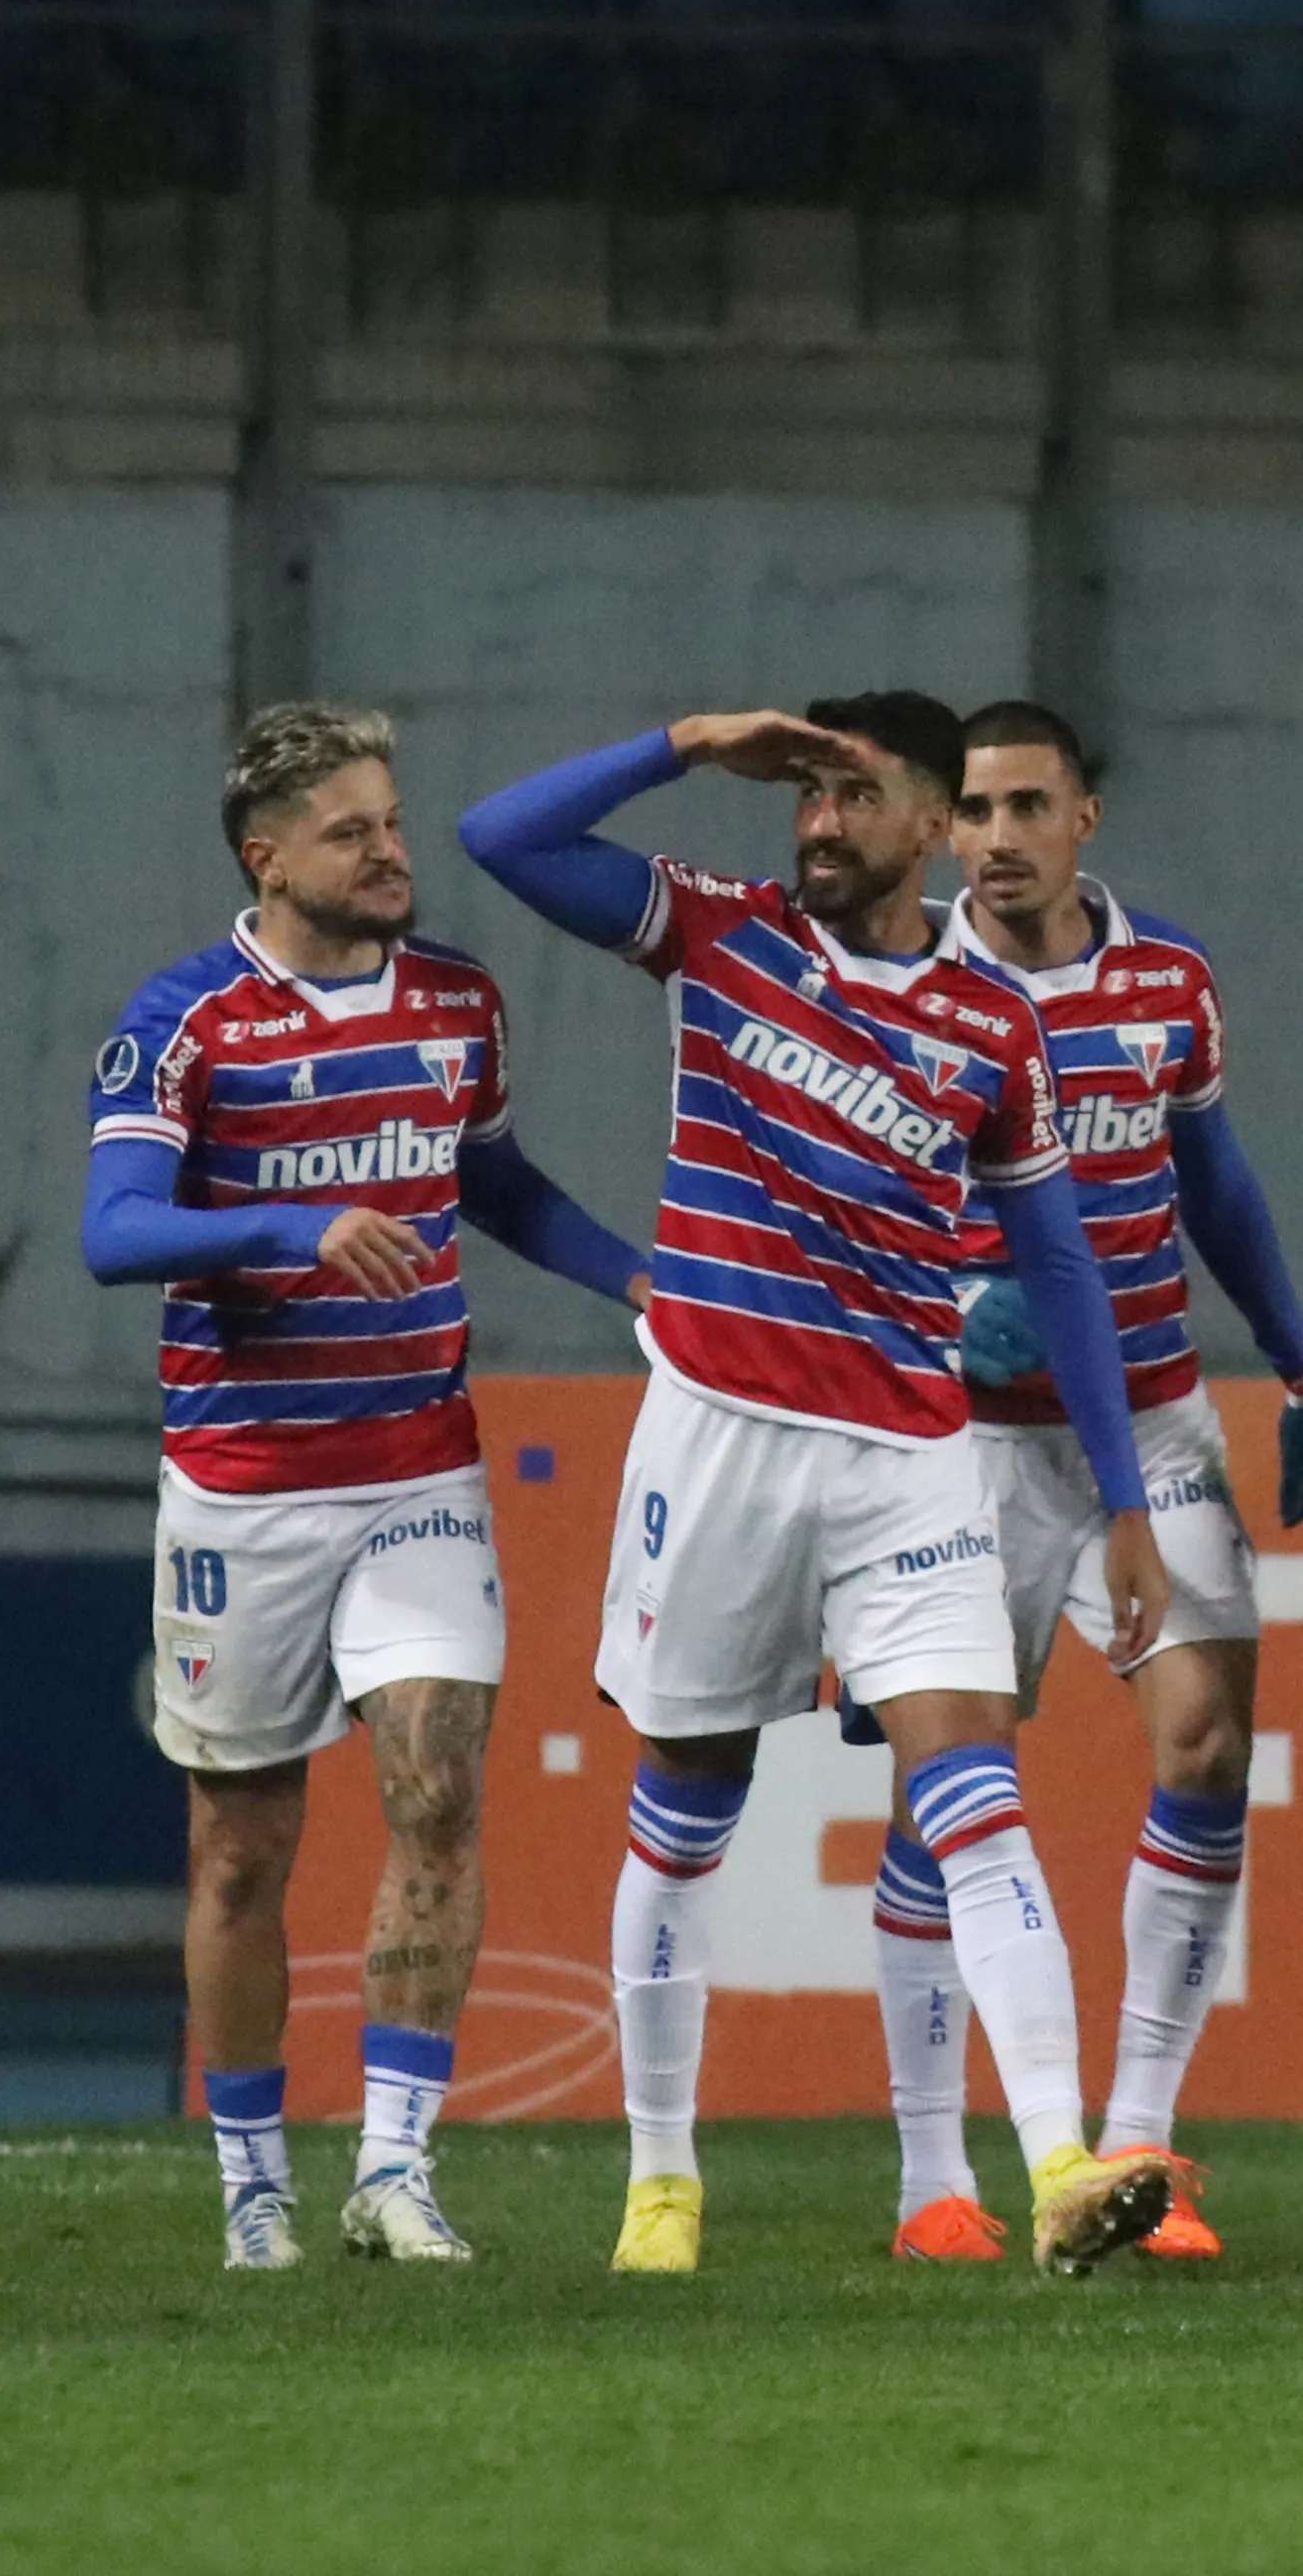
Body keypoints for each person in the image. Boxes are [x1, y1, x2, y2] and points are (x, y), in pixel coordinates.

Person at [459, 692, 1181, 2279]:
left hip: (910, 1461)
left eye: (857, 796)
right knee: (687, 1808)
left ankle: (1062, 2162)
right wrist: (680, 746)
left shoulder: (993, 1030)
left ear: (930, 824)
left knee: (976, 1796)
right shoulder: (723, 935)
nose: (820, 822)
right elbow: (497, 838)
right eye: (809, 794)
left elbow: (1062, 1265)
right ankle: (662, 2181)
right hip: (719, 1433)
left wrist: (1125, 1495)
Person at [82, 702, 650, 2271]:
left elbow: (494, 1181)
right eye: (352, 833)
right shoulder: (186, 1021)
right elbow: (115, 1232)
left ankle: (394, 2167)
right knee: (241, 1848)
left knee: (440, 1793)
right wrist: (293, 1227)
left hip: (417, 1460)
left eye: (393, 823)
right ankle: (251, 2180)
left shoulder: (458, 1000)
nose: (393, 852)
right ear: (268, 860)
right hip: (246, 1484)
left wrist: (633, 1277)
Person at [864, 696, 1303, 2268]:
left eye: (1025, 806)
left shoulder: (1167, 980)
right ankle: (933, 2178)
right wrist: (949, 1312)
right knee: (943, 1789)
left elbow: (1216, 1181)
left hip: (1148, 1418)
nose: (995, 838)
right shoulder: (902, 986)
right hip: (962, 1444)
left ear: (1086, 817)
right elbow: (846, 1212)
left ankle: (1139, 2142)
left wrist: (1300, 1362)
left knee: (1206, 1745)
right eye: (972, 811)